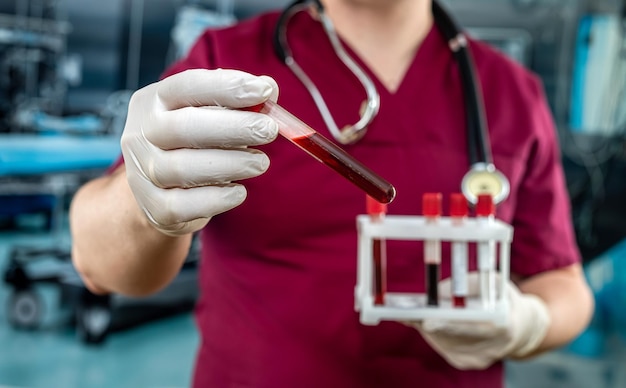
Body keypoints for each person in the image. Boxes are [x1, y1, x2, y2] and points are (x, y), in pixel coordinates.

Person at [69, 0, 594, 386]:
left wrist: (528, 323)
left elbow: (564, 285)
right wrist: (142, 206)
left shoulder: (510, 94)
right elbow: (102, 267)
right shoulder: (225, 66)